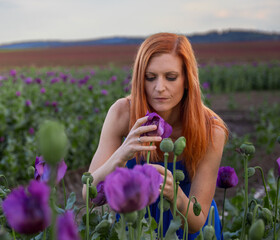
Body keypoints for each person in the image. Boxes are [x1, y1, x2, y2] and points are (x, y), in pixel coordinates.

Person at [82, 32, 228, 239]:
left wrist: (174, 194)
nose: (159, 88)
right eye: (150, 78)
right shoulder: (123, 114)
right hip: (134, 228)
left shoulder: (211, 129)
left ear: (187, 79)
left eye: (171, 77)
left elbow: (198, 221)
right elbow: (88, 197)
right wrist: (121, 154)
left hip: (187, 229)